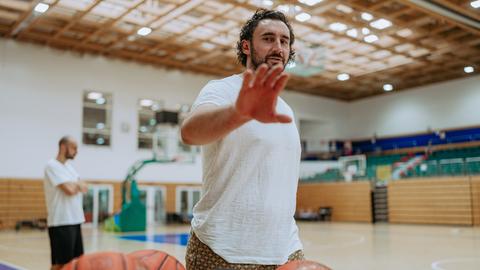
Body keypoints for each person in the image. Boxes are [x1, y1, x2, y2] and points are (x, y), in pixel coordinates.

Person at [181, 9, 304, 270]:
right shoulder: (221, 90)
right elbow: (190, 132)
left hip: (286, 250)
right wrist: (239, 112)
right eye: (268, 38)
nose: (278, 47)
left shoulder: (286, 110)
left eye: (284, 41)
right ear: (247, 46)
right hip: (224, 250)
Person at [44, 136, 87, 270]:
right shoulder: (51, 165)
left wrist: (75, 185)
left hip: (75, 220)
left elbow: (84, 186)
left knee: (76, 262)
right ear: (63, 147)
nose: (76, 151)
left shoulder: (70, 168)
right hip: (60, 221)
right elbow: (69, 190)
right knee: (60, 263)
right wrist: (76, 185)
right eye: (74, 147)